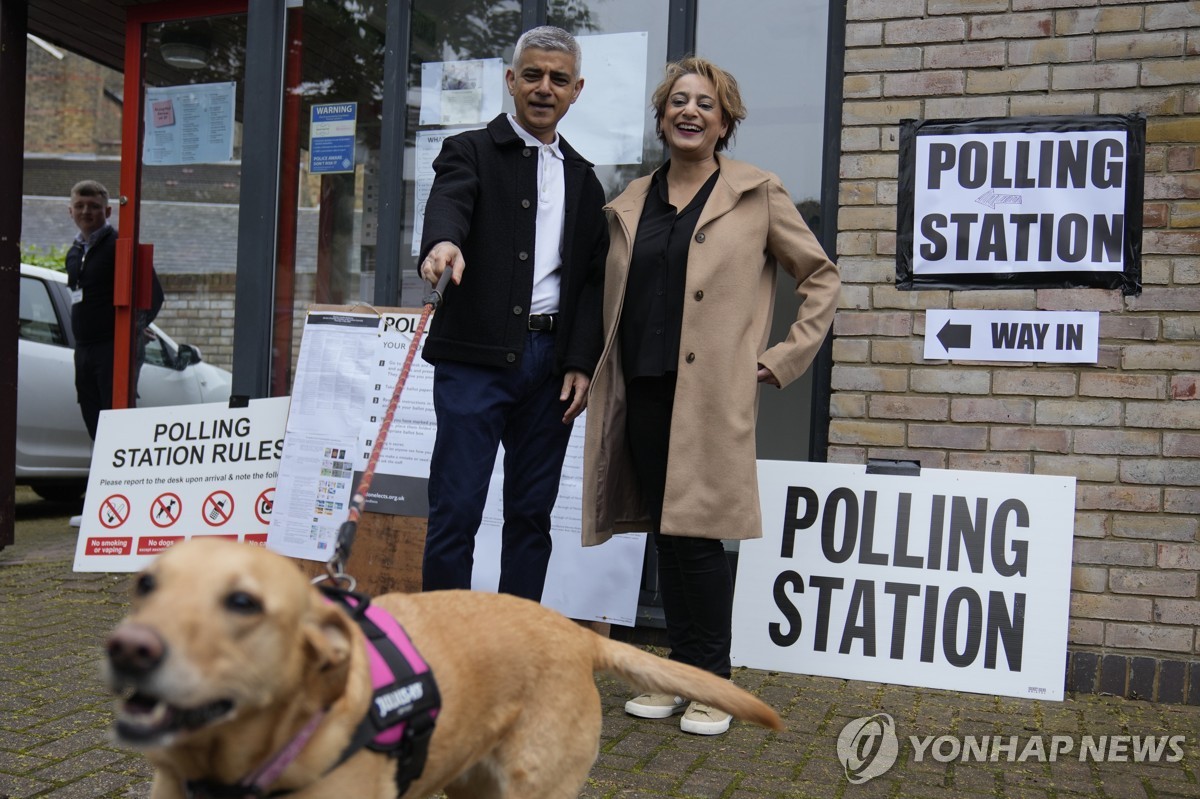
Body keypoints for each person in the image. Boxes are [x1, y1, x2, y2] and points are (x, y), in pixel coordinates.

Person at [582, 57, 841, 735]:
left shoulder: (756, 192)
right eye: (677, 101)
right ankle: (682, 670)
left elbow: (820, 277)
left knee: (695, 537)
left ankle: (713, 680)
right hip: (640, 386)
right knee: (666, 534)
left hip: (707, 394)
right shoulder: (631, 199)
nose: (689, 111)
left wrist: (783, 356)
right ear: (663, 116)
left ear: (725, 121)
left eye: (705, 103)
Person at [416, 26, 607, 602]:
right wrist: (443, 243)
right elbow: (450, 198)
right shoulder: (468, 150)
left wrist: (579, 361)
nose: (543, 88)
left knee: (530, 516)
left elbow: (593, 281)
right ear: (510, 81)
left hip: (549, 368)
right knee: (456, 509)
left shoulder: (586, 178)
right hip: (474, 358)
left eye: (558, 79)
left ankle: (517, 643)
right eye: (532, 75)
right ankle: (444, 645)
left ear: (576, 90)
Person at [65, 179, 163, 440]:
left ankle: (121, 480)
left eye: (94, 206)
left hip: (113, 350)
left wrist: (133, 328)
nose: (86, 212)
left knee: (116, 425)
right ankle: (101, 478)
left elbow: (154, 295)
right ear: (70, 211)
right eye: (80, 205)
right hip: (83, 350)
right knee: (93, 421)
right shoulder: (74, 252)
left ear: (108, 212)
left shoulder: (120, 246)